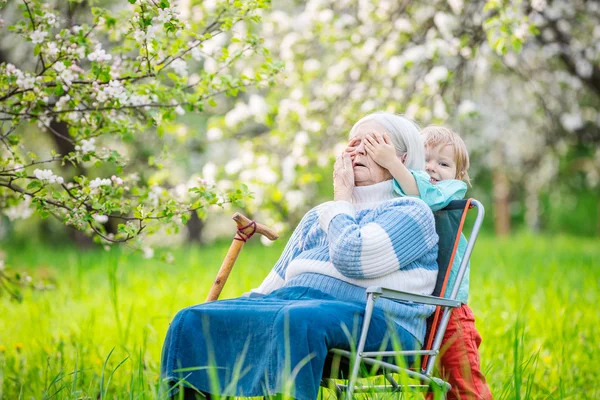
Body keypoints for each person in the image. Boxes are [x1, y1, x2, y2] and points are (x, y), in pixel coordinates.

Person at [160, 112, 439, 400]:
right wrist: (231, 312)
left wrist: (341, 198)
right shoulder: (319, 215)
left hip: (377, 319)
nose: (356, 151)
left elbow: (352, 257)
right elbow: (274, 286)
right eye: (352, 143)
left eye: (371, 143)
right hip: (296, 305)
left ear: (401, 159)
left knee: (297, 319)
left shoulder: (410, 212)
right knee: (190, 320)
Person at [363, 124, 492, 400]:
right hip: (419, 304)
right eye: (425, 160)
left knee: (463, 380)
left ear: (458, 175)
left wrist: (393, 165)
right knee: (433, 384)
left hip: (451, 307)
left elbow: (424, 198)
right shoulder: (404, 189)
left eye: (443, 163)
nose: (432, 168)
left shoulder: (448, 190)